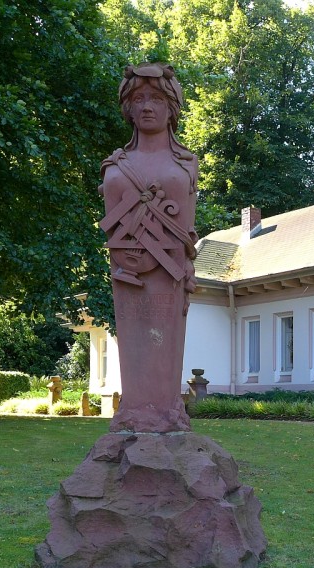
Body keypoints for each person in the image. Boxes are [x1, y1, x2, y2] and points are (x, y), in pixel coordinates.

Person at [98, 63, 200, 433]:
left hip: (168, 272)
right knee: (136, 345)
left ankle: (164, 413)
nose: (146, 106)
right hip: (127, 273)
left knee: (164, 348)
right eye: (138, 98)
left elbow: (185, 230)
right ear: (127, 107)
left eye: (156, 98)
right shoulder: (115, 164)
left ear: (172, 107)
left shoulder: (186, 163)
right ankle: (136, 411)